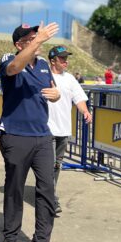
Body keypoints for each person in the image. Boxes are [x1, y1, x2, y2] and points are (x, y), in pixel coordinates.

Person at [0, 23, 61, 242]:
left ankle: (41, 241)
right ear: (19, 44)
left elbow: (52, 91)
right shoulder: (9, 59)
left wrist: (58, 95)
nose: (38, 41)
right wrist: (38, 41)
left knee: (46, 190)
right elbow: (14, 68)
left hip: (42, 136)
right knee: (14, 188)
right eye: (31, 39)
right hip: (16, 135)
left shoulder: (44, 65)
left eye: (38, 37)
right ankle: (10, 237)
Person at [47, 45, 91, 214]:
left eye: (66, 58)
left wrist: (85, 111)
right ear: (52, 61)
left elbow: (78, 98)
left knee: (56, 165)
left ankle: (47, 193)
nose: (66, 61)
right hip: (47, 129)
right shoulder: (44, 76)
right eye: (62, 58)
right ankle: (50, 198)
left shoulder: (70, 79)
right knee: (49, 165)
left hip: (63, 130)